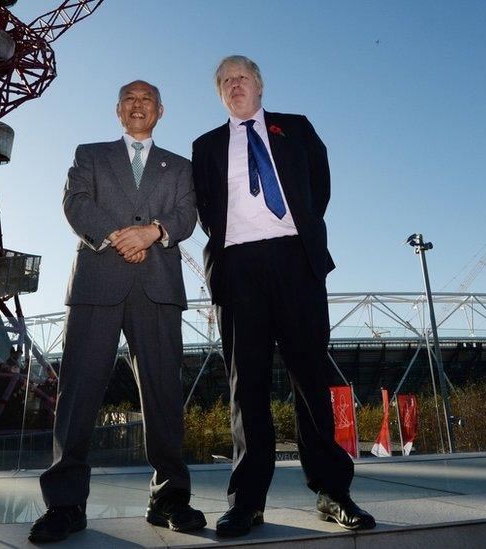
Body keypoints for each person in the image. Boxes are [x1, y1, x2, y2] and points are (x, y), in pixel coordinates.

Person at [191, 55, 376, 537]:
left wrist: (295, 232)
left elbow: (320, 187)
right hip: (238, 270)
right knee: (245, 386)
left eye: (242, 77)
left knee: (311, 379)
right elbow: (207, 209)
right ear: (220, 93)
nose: (235, 85)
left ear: (260, 85)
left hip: (296, 262)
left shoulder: (296, 128)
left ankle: (334, 493)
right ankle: (247, 502)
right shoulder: (205, 146)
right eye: (226, 81)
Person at [29, 80, 204, 543]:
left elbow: (188, 213)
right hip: (96, 284)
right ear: (118, 110)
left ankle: (169, 498)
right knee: (78, 393)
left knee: (164, 393)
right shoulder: (89, 154)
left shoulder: (182, 166)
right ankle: (65, 506)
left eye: (147, 99)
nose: (138, 105)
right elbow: (75, 202)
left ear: (160, 110)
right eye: (130, 98)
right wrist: (121, 235)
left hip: (158, 288)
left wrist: (153, 233)